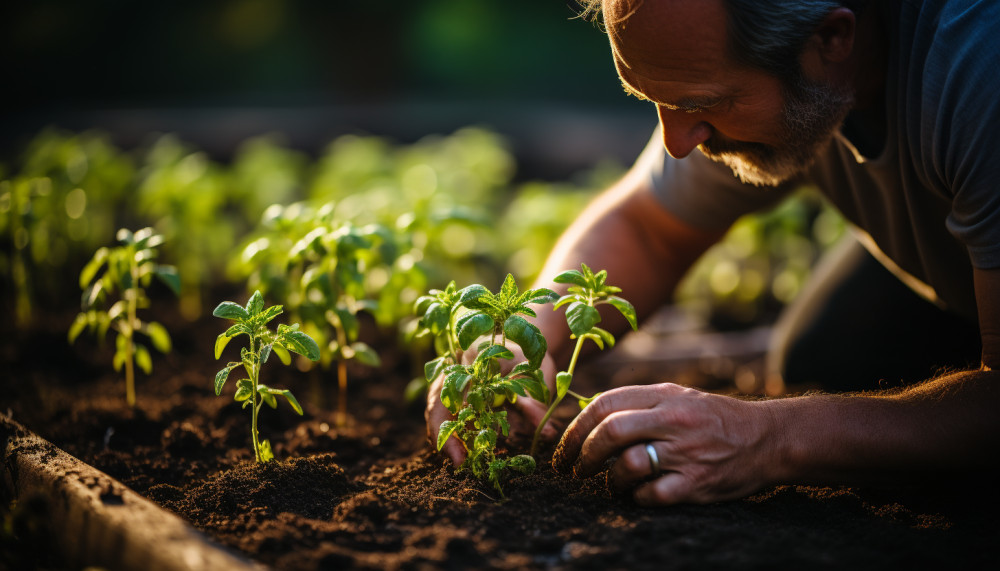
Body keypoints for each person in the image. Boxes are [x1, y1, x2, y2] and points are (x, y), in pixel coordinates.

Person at [427, 0, 1000, 506]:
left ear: (831, 40)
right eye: (655, 100)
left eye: (703, 102)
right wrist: (526, 333)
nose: (677, 144)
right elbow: (648, 227)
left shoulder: (979, 76)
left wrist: (769, 437)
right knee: (832, 362)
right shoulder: (766, 70)